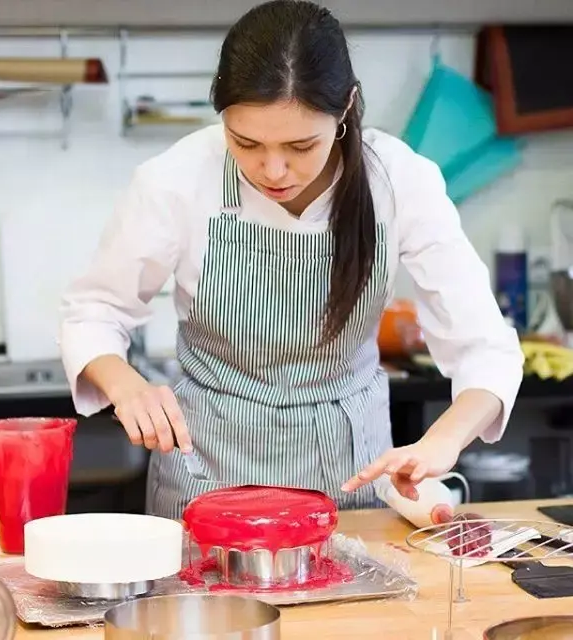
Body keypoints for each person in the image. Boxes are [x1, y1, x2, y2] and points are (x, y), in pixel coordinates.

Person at [59, 0, 524, 519]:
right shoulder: (177, 179)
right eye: (246, 142)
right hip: (206, 479)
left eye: (301, 145)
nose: (273, 169)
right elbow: (94, 312)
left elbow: (486, 348)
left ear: (345, 108)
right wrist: (126, 385)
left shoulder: (399, 181)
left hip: (351, 483)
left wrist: (444, 440)